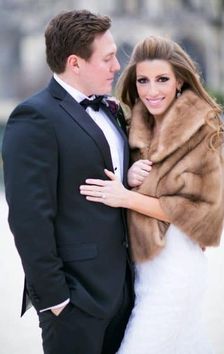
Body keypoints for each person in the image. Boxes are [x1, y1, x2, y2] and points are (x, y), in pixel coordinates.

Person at [80, 35, 224, 353]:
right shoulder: (137, 124)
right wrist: (130, 176)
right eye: (143, 80)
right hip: (142, 274)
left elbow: (198, 210)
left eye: (162, 79)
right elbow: (150, 183)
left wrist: (125, 196)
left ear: (179, 81)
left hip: (175, 271)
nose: (151, 90)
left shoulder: (200, 129)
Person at [2, 10, 134, 354]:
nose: (117, 66)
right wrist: (56, 299)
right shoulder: (34, 117)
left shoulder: (111, 109)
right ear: (75, 63)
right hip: (75, 302)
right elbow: (29, 218)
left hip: (125, 293)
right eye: (107, 58)